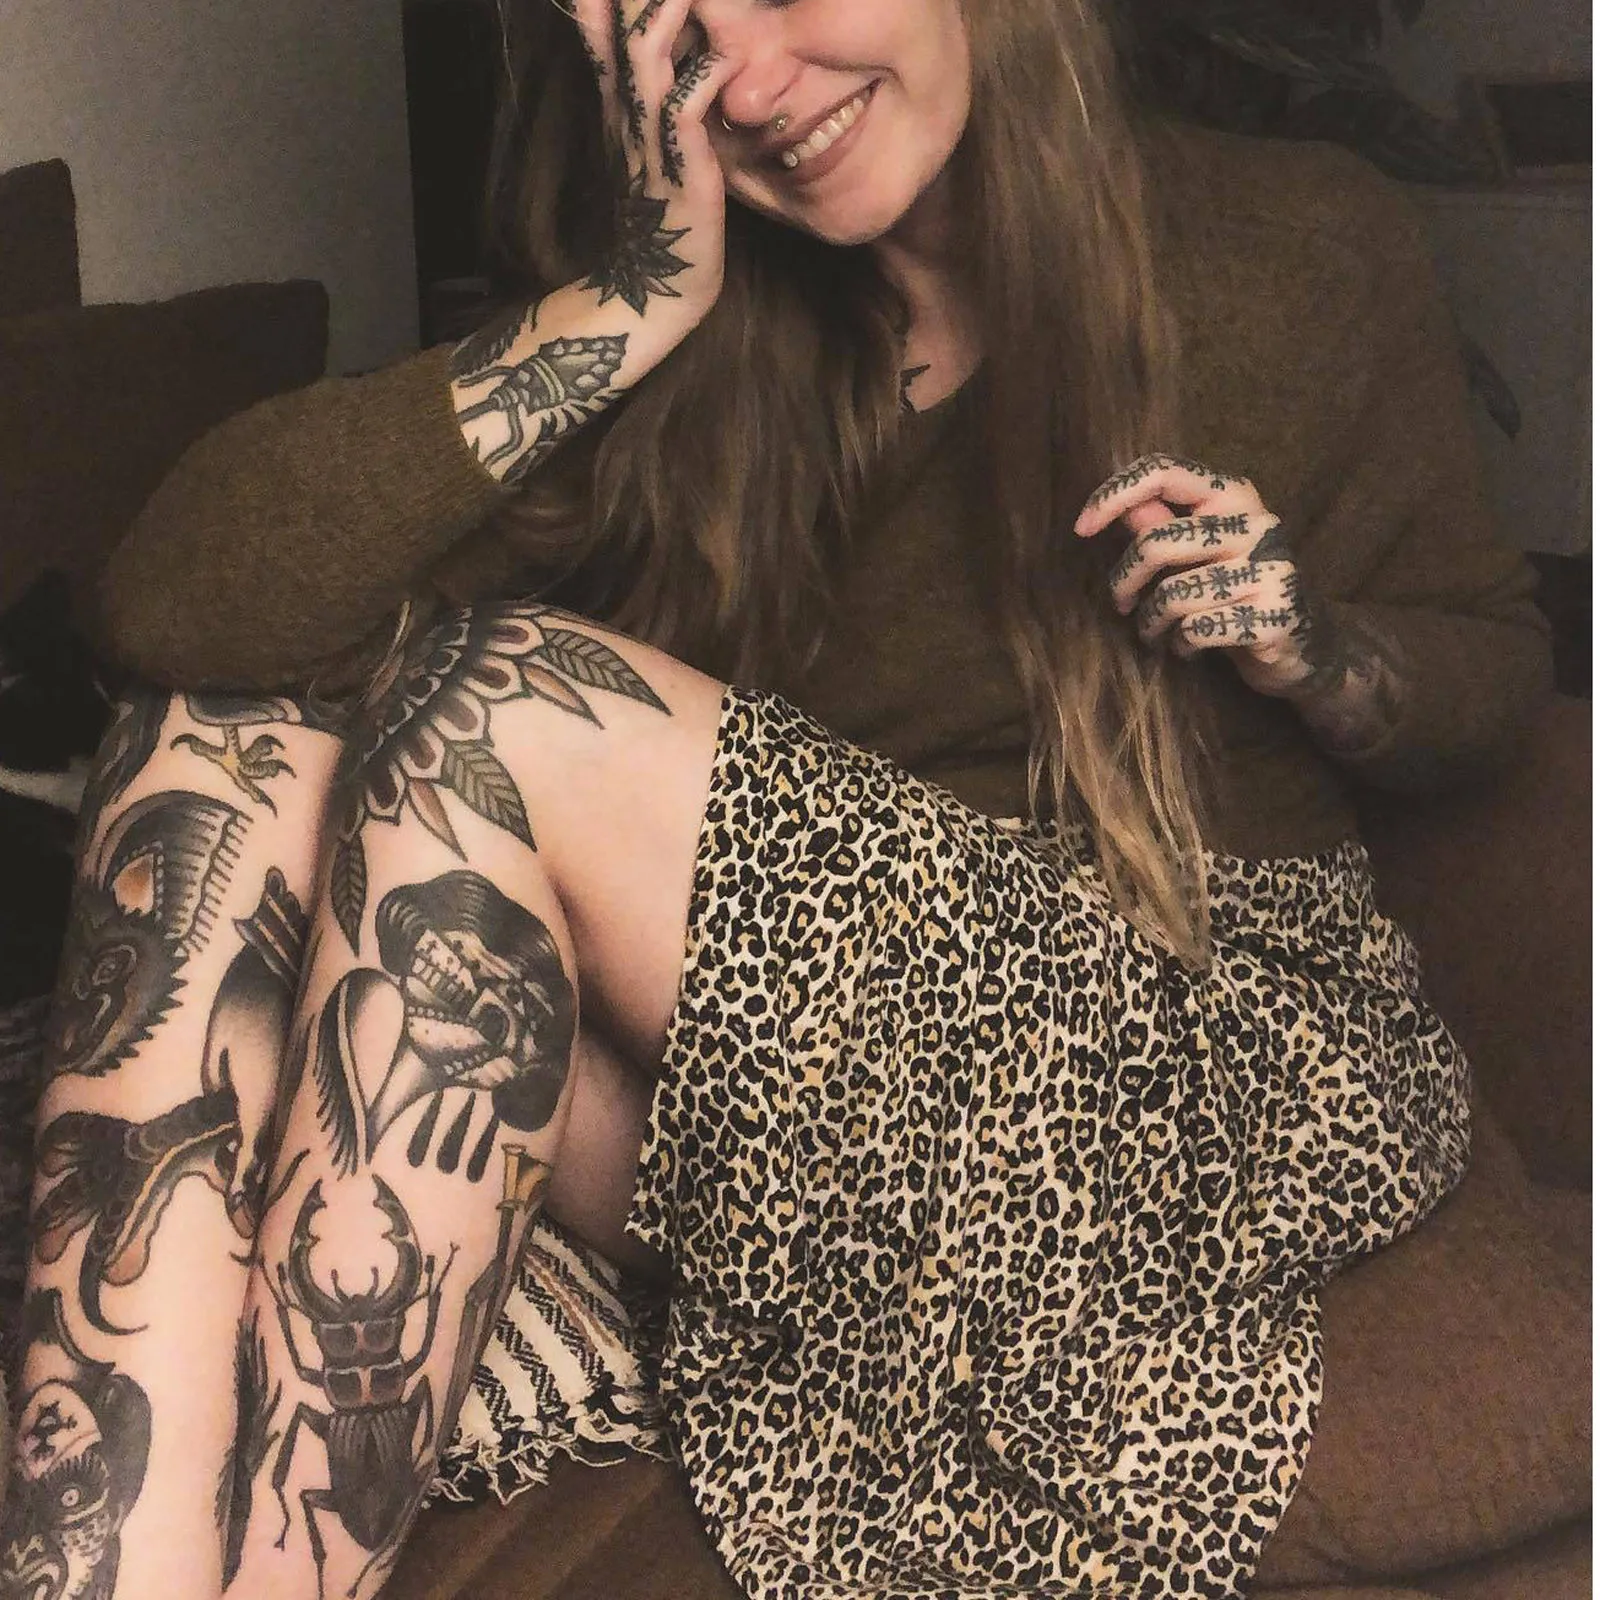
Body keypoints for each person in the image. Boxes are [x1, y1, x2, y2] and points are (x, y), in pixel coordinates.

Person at [4, 0, 1552, 1597]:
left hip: (1192, 1085)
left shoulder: (1299, 245)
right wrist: (626, 306)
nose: (744, 82)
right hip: (798, 1116)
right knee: (215, 757)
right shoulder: (694, 337)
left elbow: (1493, 677)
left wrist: (1322, 649)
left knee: (496, 706)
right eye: (678, 34)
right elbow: (173, 615)